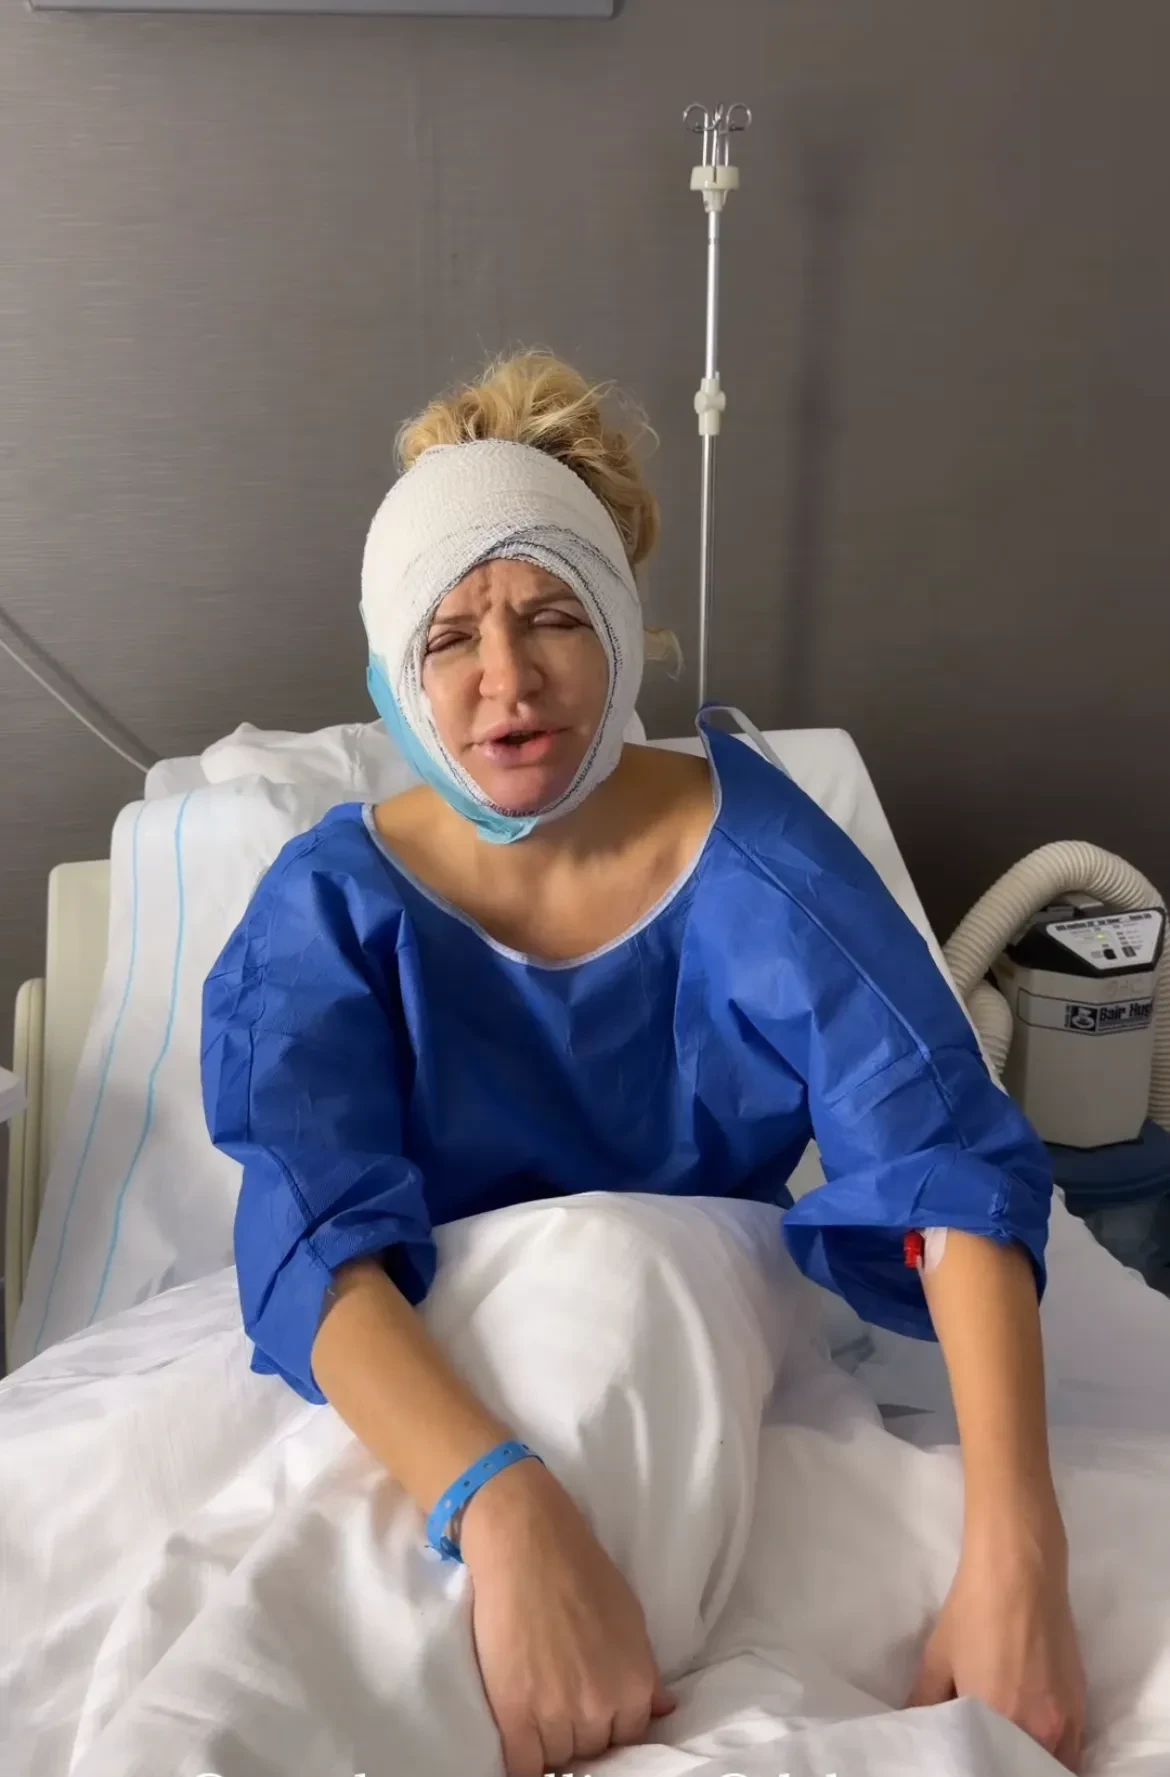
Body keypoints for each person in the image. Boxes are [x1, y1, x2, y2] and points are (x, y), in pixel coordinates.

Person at [202, 351, 1086, 1776]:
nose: (506, 680)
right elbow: (314, 1246)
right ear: (391, 673)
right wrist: (502, 1509)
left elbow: (940, 1168)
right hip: (431, 1388)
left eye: (552, 615)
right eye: (450, 637)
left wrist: (1017, 1551)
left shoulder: (763, 861)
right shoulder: (326, 913)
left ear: (618, 628)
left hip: (699, 1354)